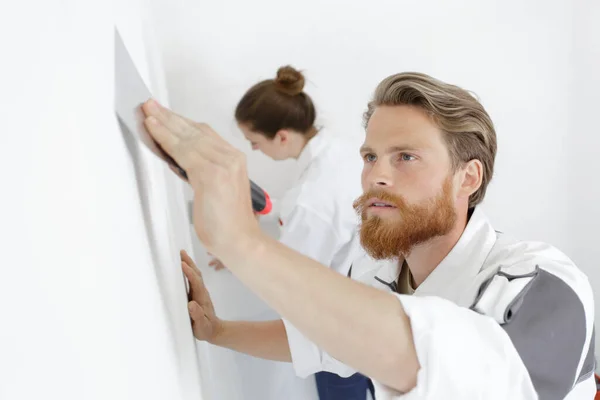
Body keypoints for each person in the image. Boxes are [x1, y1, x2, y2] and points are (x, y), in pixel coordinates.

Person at [142, 72, 596, 399]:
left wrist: (242, 242)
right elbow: (326, 341)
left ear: (468, 178)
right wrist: (218, 331)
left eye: (406, 157)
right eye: (370, 156)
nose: (375, 175)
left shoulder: (545, 282)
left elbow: (483, 378)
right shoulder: (378, 269)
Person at [207, 65, 374, 399]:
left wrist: (237, 250)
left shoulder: (310, 201)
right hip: (378, 307)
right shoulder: (344, 154)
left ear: (282, 136)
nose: (255, 151)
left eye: (254, 143)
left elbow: (288, 280)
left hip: (343, 330)